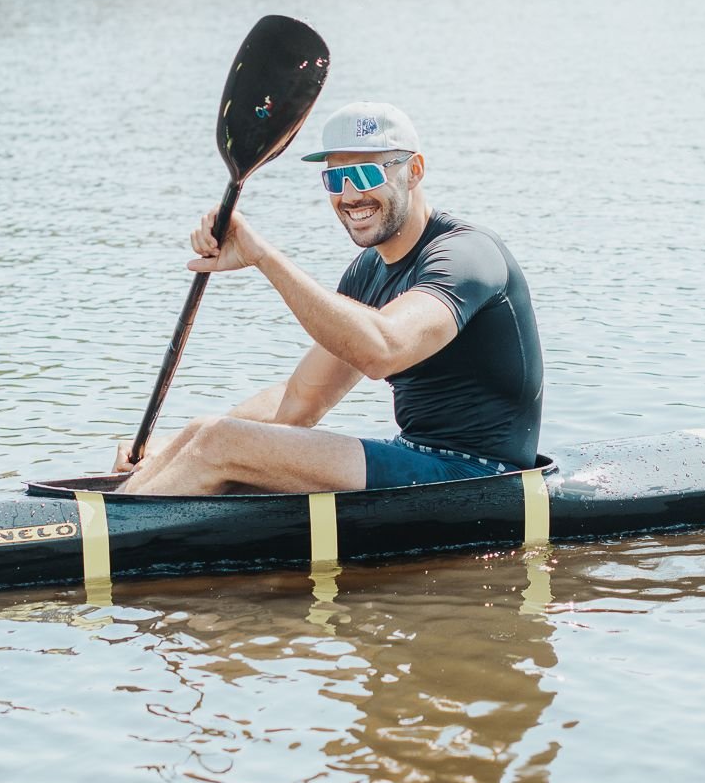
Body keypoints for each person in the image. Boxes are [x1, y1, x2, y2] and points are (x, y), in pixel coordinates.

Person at [118, 102, 543, 495]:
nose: (349, 196)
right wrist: (172, 448)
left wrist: (262, 257)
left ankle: (99, 540)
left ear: (414, 171)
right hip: (418, 456)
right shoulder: (367, 272)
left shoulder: (466, 256)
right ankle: (113, 509)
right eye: (335, 179)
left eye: (365, 175)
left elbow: (384, 350)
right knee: (204, 430)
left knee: (219, 440)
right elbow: (300, 401)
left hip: (484, 475)